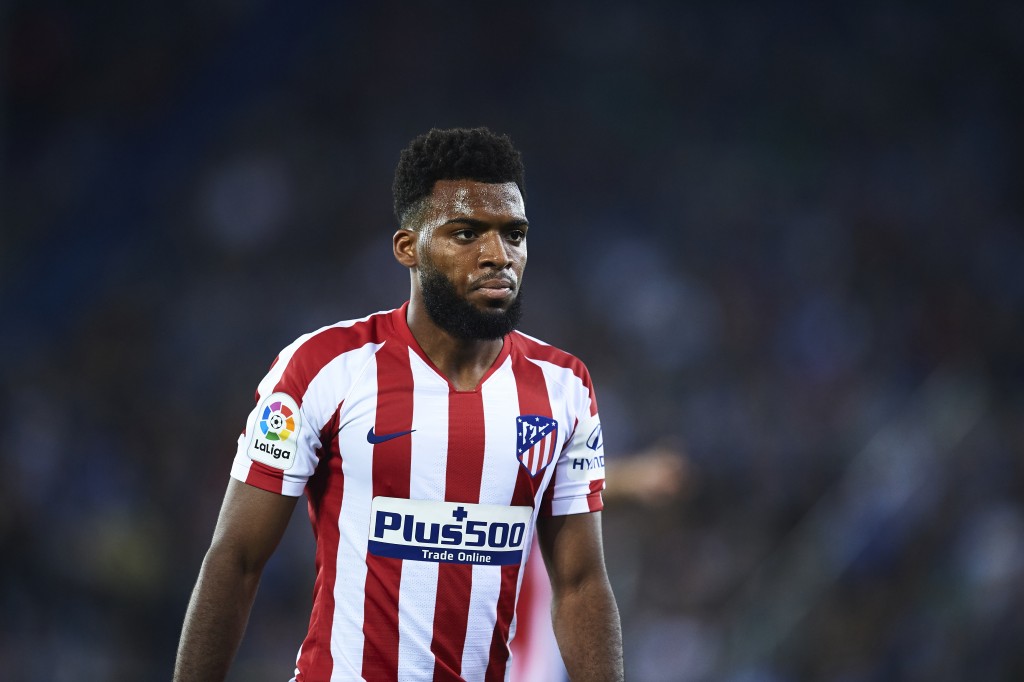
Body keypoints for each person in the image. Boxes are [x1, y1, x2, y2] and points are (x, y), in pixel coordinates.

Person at [174, 127, 624, 682]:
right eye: (467, 234)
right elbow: (236, 559)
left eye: (514, 234)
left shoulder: (564, 387)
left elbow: (580, 585)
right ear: (408, 247)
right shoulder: (324, 368)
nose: (498, 256)